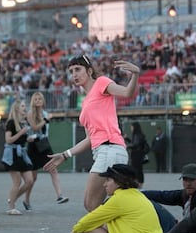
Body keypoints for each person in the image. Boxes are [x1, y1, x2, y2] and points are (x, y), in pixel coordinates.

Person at [44, 55, 140, 212]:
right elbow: (89, 139)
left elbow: (127, 93)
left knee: (91, 205)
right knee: (99, 206)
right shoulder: (85, 101)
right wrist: (65, 154)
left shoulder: (101, 82)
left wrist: (135, 74)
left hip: (110, 149)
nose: (74, 74)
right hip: (105, 151)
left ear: (89, 71)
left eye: (77, 69)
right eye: (71, 71)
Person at [58, 164, 163, 233]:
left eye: (108, 180)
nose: (104, 184)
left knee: (93, 227)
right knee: (108, 226)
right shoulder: (138, 195)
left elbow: (89, 220)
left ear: (118, 181)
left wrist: (74, 231)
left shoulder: (119, 199)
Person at [24, 92, 69, 211]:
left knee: (53, 169)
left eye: (40, 99)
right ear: (33, 101)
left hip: (44, 144)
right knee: (33, 177)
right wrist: (46, 119)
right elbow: (34, 127)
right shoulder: (31, 114)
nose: (38, 100)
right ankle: (26, 199)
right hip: (33, 145)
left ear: (43, 101)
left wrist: (45, 117)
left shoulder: (45, 113)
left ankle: (59, 195)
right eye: (36, 99)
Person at [142, 163, 196, 233]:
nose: (188, 183)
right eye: (185, 179)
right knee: (151, 203)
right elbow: (163, 195)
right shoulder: (185, 194)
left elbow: (193, 223)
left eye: (192, 180)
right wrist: (138, 193)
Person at [1, 99, 34, 215]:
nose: (25, 108)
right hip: (12, 154)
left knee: (29, 180)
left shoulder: (24, 122)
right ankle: (11, 207)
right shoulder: (11, 122)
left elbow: (22, 139)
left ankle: (12, 198)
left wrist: (28, 138)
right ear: (17, 108)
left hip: (22, 153)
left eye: (25, 106)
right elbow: (8, 140)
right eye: (23, 106)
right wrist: (21, 133)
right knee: (17, 181)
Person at [125, 121, 147, 186]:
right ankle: (139, 181)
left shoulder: (137, 135)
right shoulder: (138, 134)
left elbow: (135, 144)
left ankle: (139, 182)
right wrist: (127, 138)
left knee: (137, 169)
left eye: (131, 127)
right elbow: (134, 142)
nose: (131, 128)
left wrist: (127, 146)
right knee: (138, 168)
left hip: (137, 155)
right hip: (138, 154)